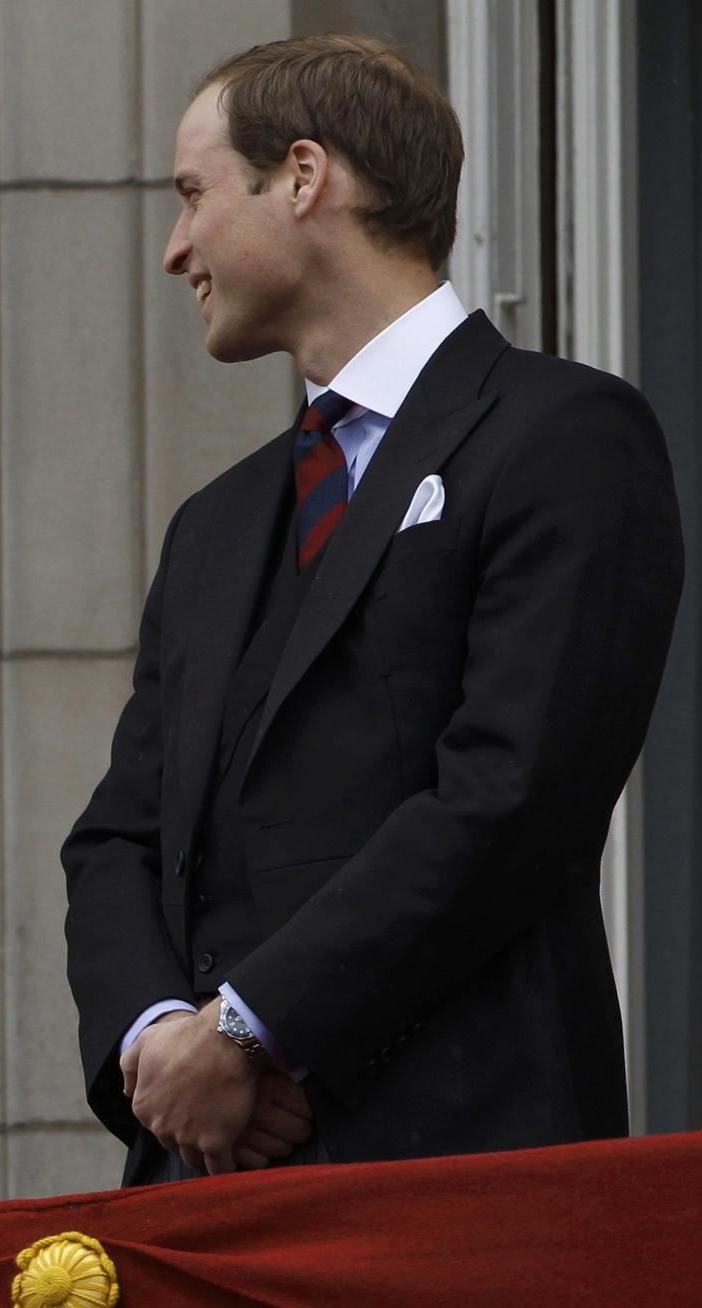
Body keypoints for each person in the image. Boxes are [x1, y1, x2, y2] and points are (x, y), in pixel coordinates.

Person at [61, 36, 682, 1185]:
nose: (173, 248)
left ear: (302, 177)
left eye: (193, 194)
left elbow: (509, 794)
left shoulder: (561, 436)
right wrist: (164, 1046)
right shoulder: (213, 523)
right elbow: (117, 837)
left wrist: (251, 1026)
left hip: (461, 1175)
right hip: (207, 1192)